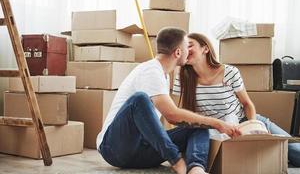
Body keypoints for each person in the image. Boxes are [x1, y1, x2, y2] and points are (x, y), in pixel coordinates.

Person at [97, 27, 241, 174]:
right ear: (178, 52)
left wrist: (210, 123)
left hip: (142, 151)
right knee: (139, 99)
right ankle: (176, 161)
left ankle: (196, 169)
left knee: (199, 126)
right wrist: (217, 123)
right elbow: (172, 115)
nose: (189, 50)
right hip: (114, 149)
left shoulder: (164, 75)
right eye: (187, 46)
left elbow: (175, 119)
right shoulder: (150, 70)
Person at [173, 32, 300, 167]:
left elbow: (247, 104)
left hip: (244, 121)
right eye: (183, 47)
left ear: (205, 49)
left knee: (296, 153)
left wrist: (253, 128)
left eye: (190, 45)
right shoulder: (182, 77)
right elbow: (174, 113)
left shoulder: (229, 72)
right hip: (210, 130)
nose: (186, 50)